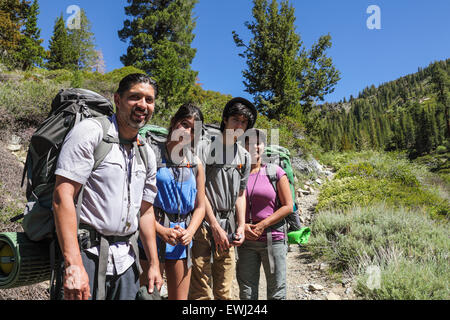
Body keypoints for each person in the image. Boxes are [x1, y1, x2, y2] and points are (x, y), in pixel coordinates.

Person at [52, 73, 163, 300]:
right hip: (86, 256)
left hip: (127, 262)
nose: (143, 105)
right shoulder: (91, 132)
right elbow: (62, 196)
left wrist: (153, 263)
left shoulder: (147, 153)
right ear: (118, 99)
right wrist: (73, 265)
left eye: (149, 100)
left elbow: (145, 210)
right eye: (135, 97)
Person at [189, 97, 256, 300]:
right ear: (225, 120)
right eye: (235, 119)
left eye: (244, 122)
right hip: (202, 225)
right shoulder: (204, 147)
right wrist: (214, 226)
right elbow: (199, 191)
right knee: (200, 286)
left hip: (228, 225)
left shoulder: (244, 157)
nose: (239, 125)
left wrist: (241, 226)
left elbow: (240, 194)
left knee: (224, 287)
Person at [139, 103, 206, 300]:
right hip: (150, 235)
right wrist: (161, 230)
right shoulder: (150, 153)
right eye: (184, 124)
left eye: (193, 130)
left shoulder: (195, 162)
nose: (187, 132)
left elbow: (200, 206)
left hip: (181, 239)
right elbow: (136, 202)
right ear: (174, 122)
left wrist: (191, 232)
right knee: (148, 296)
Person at [236, 128, 293, 300]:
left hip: (273, 239)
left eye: (258, 143)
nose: (254, 147)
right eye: (249, 143)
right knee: (247, 293)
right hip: (246, 242)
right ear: (242, 146)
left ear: (264, 146)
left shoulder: (275, 172)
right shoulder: (237, 173)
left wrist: (262, 225)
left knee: (277, 291)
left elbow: (288, 206)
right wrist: (242, 226)